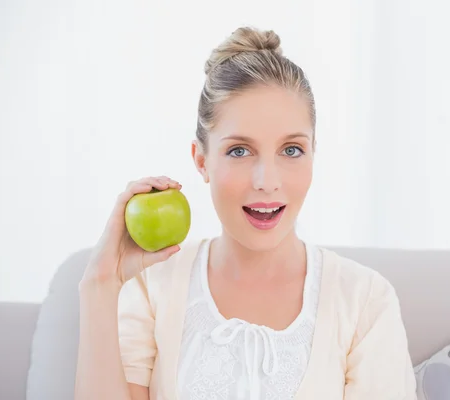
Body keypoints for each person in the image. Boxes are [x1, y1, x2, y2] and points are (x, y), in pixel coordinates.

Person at [75, 26, 417, 400]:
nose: (267, 182)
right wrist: (99, 286)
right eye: (240, 151)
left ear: (314, 153)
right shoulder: (152, 286)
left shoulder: (365, 300)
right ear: (201, 160)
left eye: (291, 150)